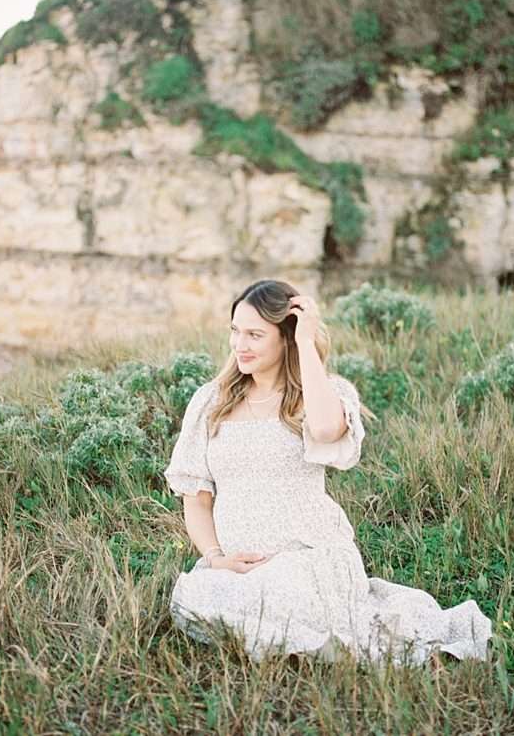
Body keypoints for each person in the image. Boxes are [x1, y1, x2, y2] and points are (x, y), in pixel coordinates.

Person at [164, 279, 492, 666]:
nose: (240, 345)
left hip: (311, 555)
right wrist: (217, 559)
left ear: (285, 337)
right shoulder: (211, 401)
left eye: (254, 334)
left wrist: (306, 344)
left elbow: (324, 430)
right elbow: (197, 500)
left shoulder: (322, 394)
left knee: (283, 597)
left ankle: (302, 643)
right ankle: (291, 639)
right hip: (237, 564)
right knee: (197, 597)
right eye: (235, 331)